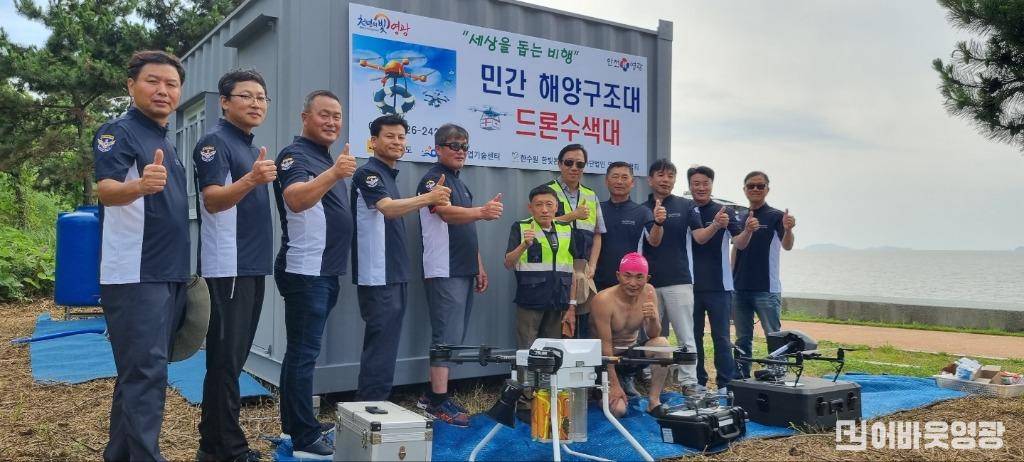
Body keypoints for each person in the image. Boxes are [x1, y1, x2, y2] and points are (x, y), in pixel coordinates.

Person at [93, 50, 189, 461]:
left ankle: (120, 455)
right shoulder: (119, 132)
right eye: (153, 81)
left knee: (141, 372)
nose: (163, 90)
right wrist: (139, 186)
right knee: (147, 373)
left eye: (171, 84)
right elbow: (106, 190)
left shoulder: (165, 140)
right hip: (135, 272)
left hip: (167, 272)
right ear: (131, 85)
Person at [194, 69, 274, 462]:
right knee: (225, 361)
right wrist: (252, 180)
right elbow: (213, 200)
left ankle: (215, 445)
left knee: (234, 359)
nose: (256, 103)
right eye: (247, 96)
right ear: (225, 102)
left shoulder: (245, 144)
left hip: (251, 265)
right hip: (228, 266)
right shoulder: (215, 142)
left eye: (261, 97)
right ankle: (225, 448)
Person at [272, 90, 356, 460]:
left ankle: (295, 423)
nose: (332, 122)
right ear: (305, 117)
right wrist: (335, 172)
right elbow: (296, 199)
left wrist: (333, 168)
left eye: (337, 116)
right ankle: (304, 437)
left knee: (301, 353)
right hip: (306, 270)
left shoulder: (321, 156)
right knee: (303, 354)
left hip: (324, 271)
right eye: (324, 114)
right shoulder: (295, 155)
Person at [352, 115, 451, 402]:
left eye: (401, 137)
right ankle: (369, 407)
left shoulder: (387, 175)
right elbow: (388, 209)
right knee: (381, 343)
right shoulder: (368, 173)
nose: (397, 142)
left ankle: (374, 403)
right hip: (377, 274)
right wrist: (429, 198)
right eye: (390, 136)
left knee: (387, 343)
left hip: (394, 271)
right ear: (373, 141)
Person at [416, 123, 503, 426]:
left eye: (464, 146)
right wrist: (482, 211)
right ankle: (436, 401)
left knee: (454, 336)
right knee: (445, 335)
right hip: (444, 267)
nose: (460, 151)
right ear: (438, 148)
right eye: (454, 145)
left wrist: (478, 265)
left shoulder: (460, 183)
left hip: (463, 267)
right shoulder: (433, 179)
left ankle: (435, 395)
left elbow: (466, 227)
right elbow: (445, 213)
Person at [642, 158, 728, 396]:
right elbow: (652, 241)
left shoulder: (686, 205)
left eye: (670, 176)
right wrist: (657, 221)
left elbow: (699, 237)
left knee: (685, 335)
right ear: (650, 180)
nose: (665, 180)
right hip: (648, 283)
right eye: (660, 175)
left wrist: (716, 225)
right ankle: (649, 378)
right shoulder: (642, 208)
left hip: (679, 280)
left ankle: (689, 382)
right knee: (651, 334)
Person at [589, 252, 671, 417]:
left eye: (639, 277)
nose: (633, 283)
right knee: (618, 411)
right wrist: (614, 385)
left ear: (647, 278)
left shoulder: (649, 292)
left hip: (629, 357)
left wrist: (653, 318)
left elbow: (653, 334)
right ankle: (606, 387)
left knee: (662, 344)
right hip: (604, 360)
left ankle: (654, 401)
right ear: (618, 276)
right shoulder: (603, 300)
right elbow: (605, 347)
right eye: (627, 276)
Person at [732, 171, 796, 378]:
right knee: (742, 339)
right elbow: (735, 249)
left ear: (767, 189)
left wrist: (788, 229)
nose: (755, 189)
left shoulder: (776, 216)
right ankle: (741, 376)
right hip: (739, 288)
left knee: (774, 336)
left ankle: (778, 375)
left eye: (760, 186)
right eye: (751, 186)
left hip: (766, 289)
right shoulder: (740, 216)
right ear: (744, 189)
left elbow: (787, 245)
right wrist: (731, 280)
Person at [686, 166, 744, 395]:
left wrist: (748, 230)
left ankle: (725, 383)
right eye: (696, 183)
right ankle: (698, 381)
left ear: (712, 184)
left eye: (705, 183)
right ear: (690, 186)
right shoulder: (685, 210)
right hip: (690, 285)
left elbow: (740, 242)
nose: (701, 187)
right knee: (693, 337)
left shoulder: (724, 211)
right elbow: (695, 239)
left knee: (722, 337)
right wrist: (715, 225)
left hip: (720, 286)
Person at [540, 144, 606, 338]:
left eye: (580, 164)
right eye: (569, 163)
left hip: (582, 269)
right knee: (556, 326)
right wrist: (573, 215)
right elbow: (540, 225)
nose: (574, 168)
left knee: (583, 324)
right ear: (559, 164)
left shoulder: (590, 195)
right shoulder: (546, 192)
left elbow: (598, 234)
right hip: (555, 268)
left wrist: (592, 266)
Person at [503, 185, 577, 349]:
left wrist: (572, 305)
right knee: (527, 349)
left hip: (558, 302)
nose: (544, 210)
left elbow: (573, 270)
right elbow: (508, 263)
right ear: (530, 208)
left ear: (556, 207)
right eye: (538, 205)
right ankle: (526, 368)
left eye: (549, 204)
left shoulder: (566, 229)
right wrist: (524, 245)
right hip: (530, 301)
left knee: (553, 351)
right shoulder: (520, 227)